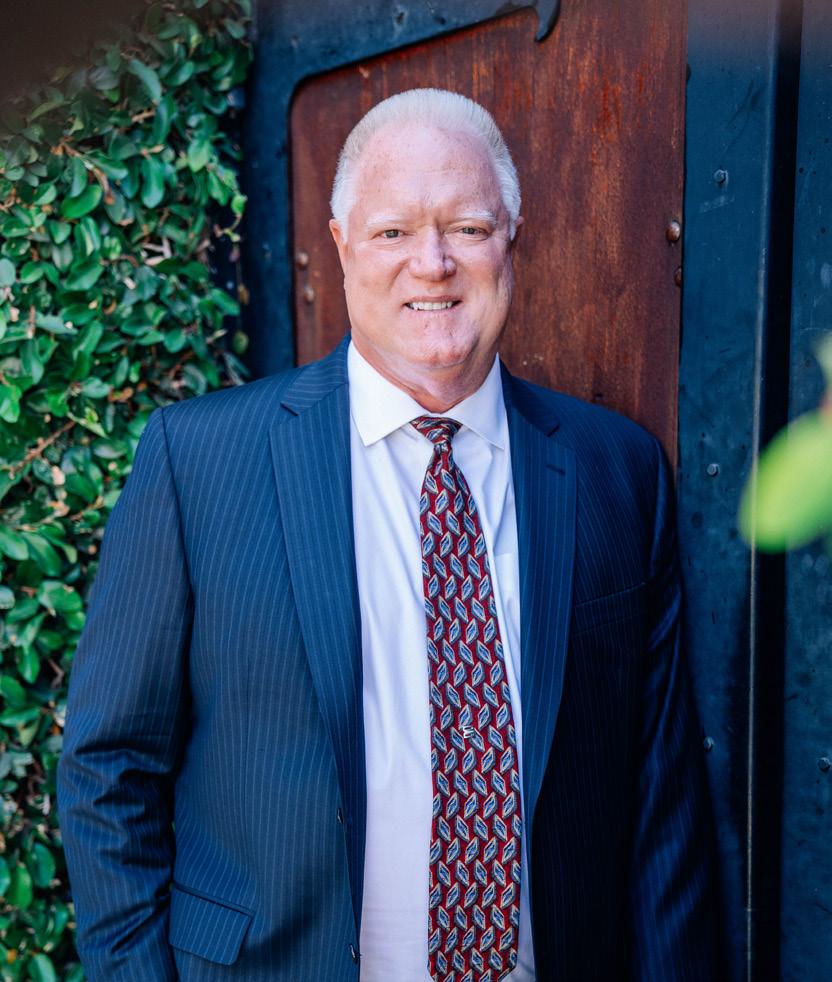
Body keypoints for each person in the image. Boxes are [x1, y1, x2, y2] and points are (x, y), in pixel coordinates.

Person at [58, 88, 718, 981]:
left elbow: (660, 803)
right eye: (393, 232)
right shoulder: (199, 462)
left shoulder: (618, 470)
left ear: (512, 238)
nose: (432, 264)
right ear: (341, 247)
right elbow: (109, 769)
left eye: (468, 228)